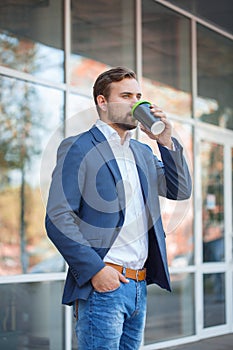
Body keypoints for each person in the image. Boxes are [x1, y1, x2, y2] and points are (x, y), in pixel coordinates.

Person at [45, 66, 192, 349]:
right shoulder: (78, 147)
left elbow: (180, 189)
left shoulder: (143, 152)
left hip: (138, 286)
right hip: (103, 286)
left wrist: (166, 142)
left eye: (138, 95)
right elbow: (58, 216)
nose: (135, 103)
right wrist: (96, 271)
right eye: (126, 96)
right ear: (102, 101)